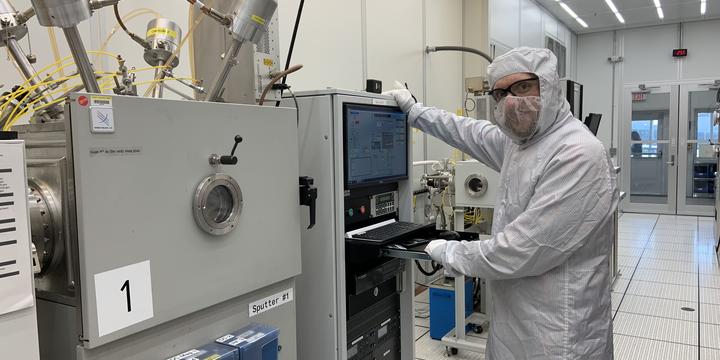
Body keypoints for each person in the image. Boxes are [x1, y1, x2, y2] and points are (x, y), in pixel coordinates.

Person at [385, 47, 618, 359]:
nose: (511, 101)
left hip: (559, 330)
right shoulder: (521, 144)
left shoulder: (577, 152)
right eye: (500, 93)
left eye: (522, 87)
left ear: (548, 86)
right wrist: (416, 113)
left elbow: (521, 249)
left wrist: (448, 252)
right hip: (515, 319)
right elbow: (468, 131)